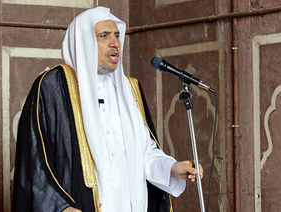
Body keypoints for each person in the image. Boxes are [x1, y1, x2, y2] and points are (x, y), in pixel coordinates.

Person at [12, 6, 203, 212]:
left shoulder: (129, 89)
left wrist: (172, 169)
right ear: (83, 42)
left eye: (117, 36)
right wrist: (61, 208)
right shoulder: (54, 85)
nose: (115, 43)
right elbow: (33, 160)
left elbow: (144, 154)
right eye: (104, 36)